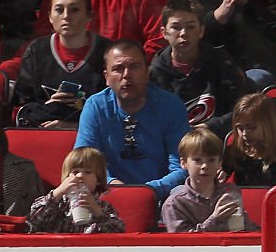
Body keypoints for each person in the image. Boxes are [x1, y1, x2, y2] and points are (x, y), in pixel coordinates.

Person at [75, 40, 190, 209]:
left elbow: (181, 166)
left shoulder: (171, 105)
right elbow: (83, 162)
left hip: (163, 197)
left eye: (134, 66)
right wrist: (113, 185)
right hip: (107, 196)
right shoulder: (95, 106)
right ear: (106, 77)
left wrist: (147, 191)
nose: (126, 75)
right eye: (118, 68)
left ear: (147, 71)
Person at [149, 0, 255, 136]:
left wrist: (211, 127)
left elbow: (243, 109)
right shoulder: (155, 74)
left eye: (191, 27)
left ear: (201, 31)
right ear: (164, 33)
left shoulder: (221, 62)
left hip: (219, 142)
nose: (183, 33)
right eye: (176, 27)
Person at [13, 0, 111, 129]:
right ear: (50, 17)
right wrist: (48, 107)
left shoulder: (108, 52)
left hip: (94, 143)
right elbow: (18, 111)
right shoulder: (36, 51)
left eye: (74, 10)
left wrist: (73, 126)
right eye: (59, 10)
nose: (66, 16)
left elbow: (118, 110)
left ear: (89, 15)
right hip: (44, 140)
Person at [35, 0, 170, 60]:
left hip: (124, 81)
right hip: (71, 76)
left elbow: (158, 40)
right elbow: (45, 36)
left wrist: (128, 69)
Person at [162, 127, 258, 232]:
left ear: (220, 163)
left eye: (211, 160)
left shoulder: (230, 193)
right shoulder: (175, 204)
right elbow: (181, 242)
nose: (205, 166)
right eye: (197, 160)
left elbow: (246, 231)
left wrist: (243, 221)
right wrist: (214, 219)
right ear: (183, 163)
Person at [26, 146, 125, 233]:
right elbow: (32, 222)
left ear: (98, 179)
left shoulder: (103, 207)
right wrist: (58, 192)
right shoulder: (58, 204)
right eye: (75, 172)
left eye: (87, 172)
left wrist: (97, 211)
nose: (80, 176)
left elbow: (118, 230)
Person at [223, 92, 276, 187]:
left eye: (251, 128)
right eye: (240, 128)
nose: (245, 134)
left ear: (268, 125)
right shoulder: (235, 153)